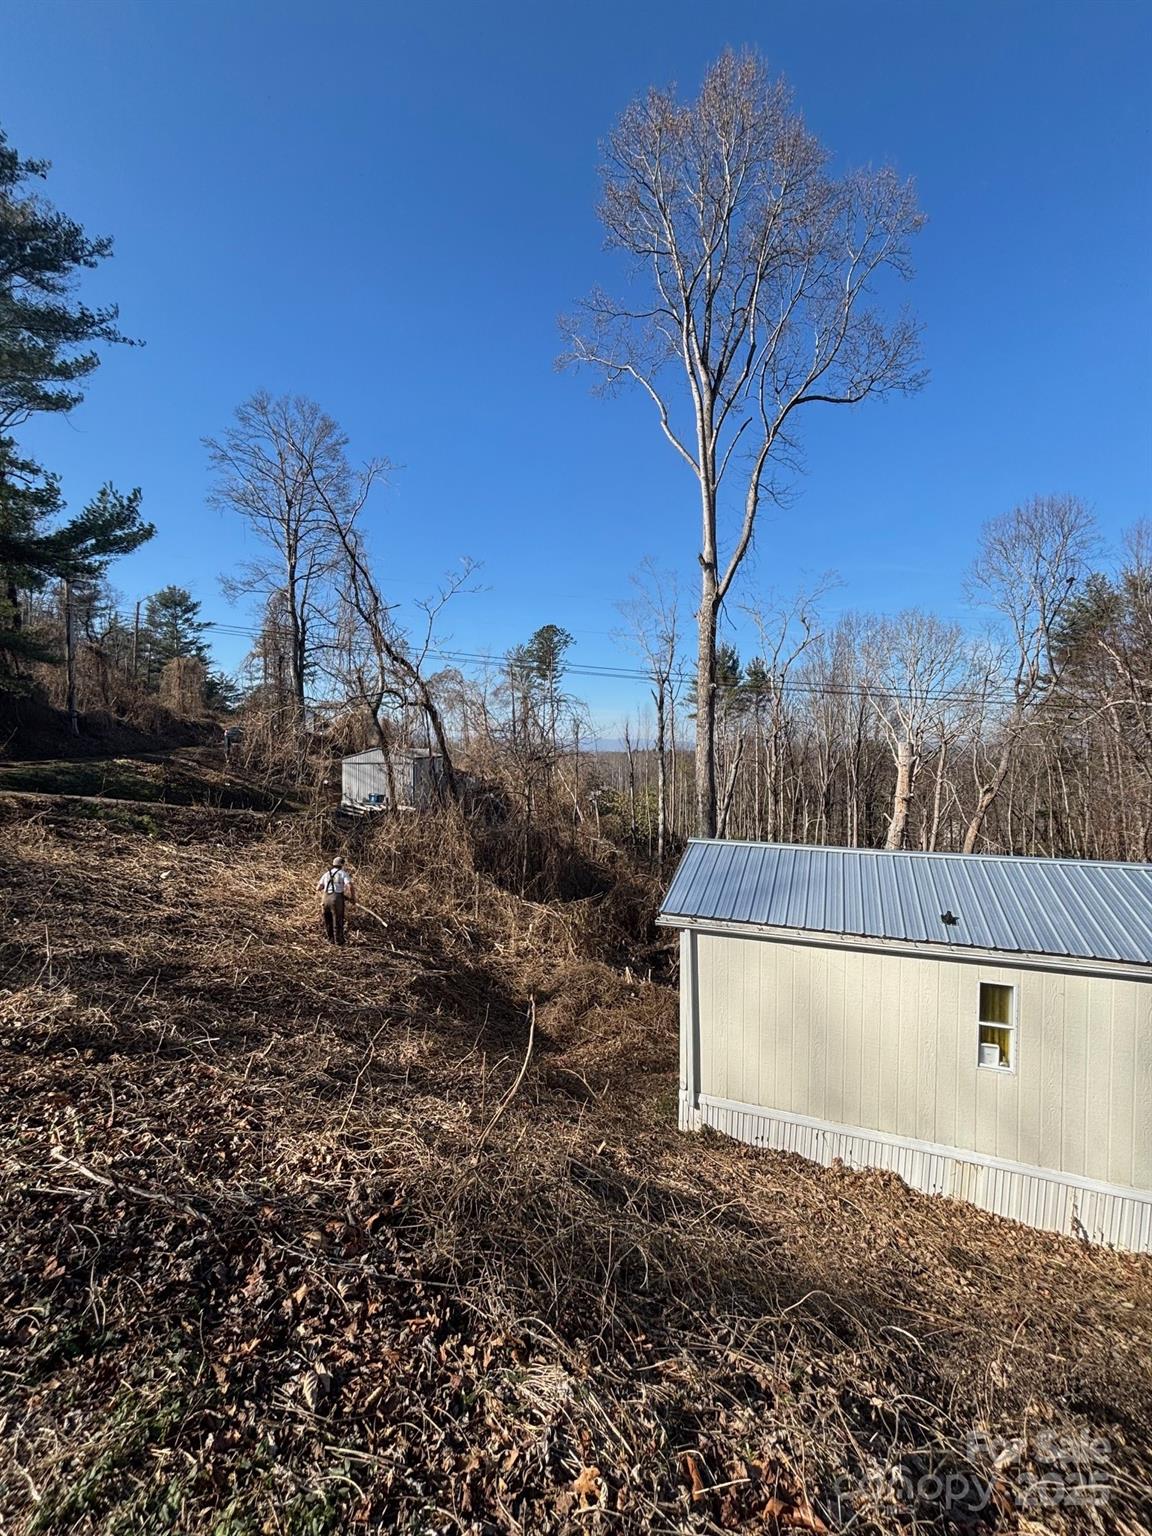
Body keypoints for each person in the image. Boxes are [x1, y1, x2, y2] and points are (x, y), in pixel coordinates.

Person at [316, 855, 355, 945]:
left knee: (328, 919)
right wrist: (352, 898)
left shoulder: (326, 874)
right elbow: (350, 886)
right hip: (336, 899)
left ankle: (330, 940)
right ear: (342, 864)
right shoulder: (342, 873)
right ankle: (339, 942)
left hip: (325, 898)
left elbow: (318, 887)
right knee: (337, 920)